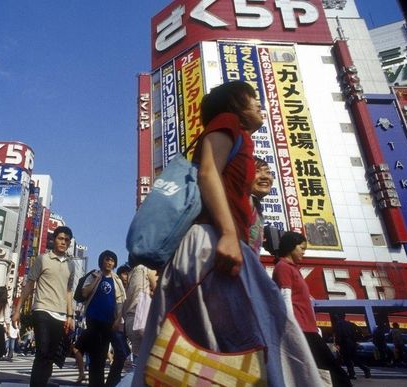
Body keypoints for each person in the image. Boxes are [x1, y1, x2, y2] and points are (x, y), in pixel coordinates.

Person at [133, 81, 323, 387]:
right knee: (258, 331)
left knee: (217, 337)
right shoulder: (228, 123)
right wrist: (227, 234)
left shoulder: (240, 136)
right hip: (211, 242)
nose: (260, 105)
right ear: (235, 105)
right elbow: (208, 172)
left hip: (212, 243)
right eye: (253, 100)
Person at [273, 232, 352, 386]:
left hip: (308, 329)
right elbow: (285, 300)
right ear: (290, 247)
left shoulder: (293, 269)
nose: (304, 252)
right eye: (301, 248)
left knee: (321, 371)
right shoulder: (283, 267)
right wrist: (292, 330)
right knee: (332, 371)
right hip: (301, 330)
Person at [12, 226, 75, 387]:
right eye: (61, 238)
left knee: (50, 356)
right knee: (43, 352)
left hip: (60, 314)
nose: (63, 242)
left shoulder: (71, 265)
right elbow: (29, 284)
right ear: (54, 239)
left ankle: (42, 383)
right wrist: (17, 310)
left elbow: (68, 291)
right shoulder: (42, 259)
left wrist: (70, 316)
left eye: (67, 240)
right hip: (42, 309)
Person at [76, 250, 126, 387]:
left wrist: (117, 320)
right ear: (101, 261)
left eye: (112, 260)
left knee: (103, 355)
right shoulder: (93, 275)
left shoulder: (116, 280)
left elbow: (121, 301)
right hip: (93, 321)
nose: (109, 262)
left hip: (109, 323)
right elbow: (84, 293)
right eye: (107, 259)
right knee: (95, 356)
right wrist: (97, 279)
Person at [122, 264, 157, 365]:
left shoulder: (132, 272)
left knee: (137, 360)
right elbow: (158, 290)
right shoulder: (146, 269)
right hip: (143, 318)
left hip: (130, 320)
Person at [249, 157, 274, 254]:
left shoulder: (256, 206)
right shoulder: (246, 201)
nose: (265, 177)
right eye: (257, 171)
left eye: (268, 172)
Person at [335, 313, 371, 379]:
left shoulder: (339, 324)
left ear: (338, 317)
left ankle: (352, 374)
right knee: (354, 359)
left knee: (347, 359)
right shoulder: (350, 323)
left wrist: (337, 343)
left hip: (344, 343)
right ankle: (365, 369)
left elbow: (338, 334)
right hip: (352, 343)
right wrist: (355, 338)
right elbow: (360, 330)